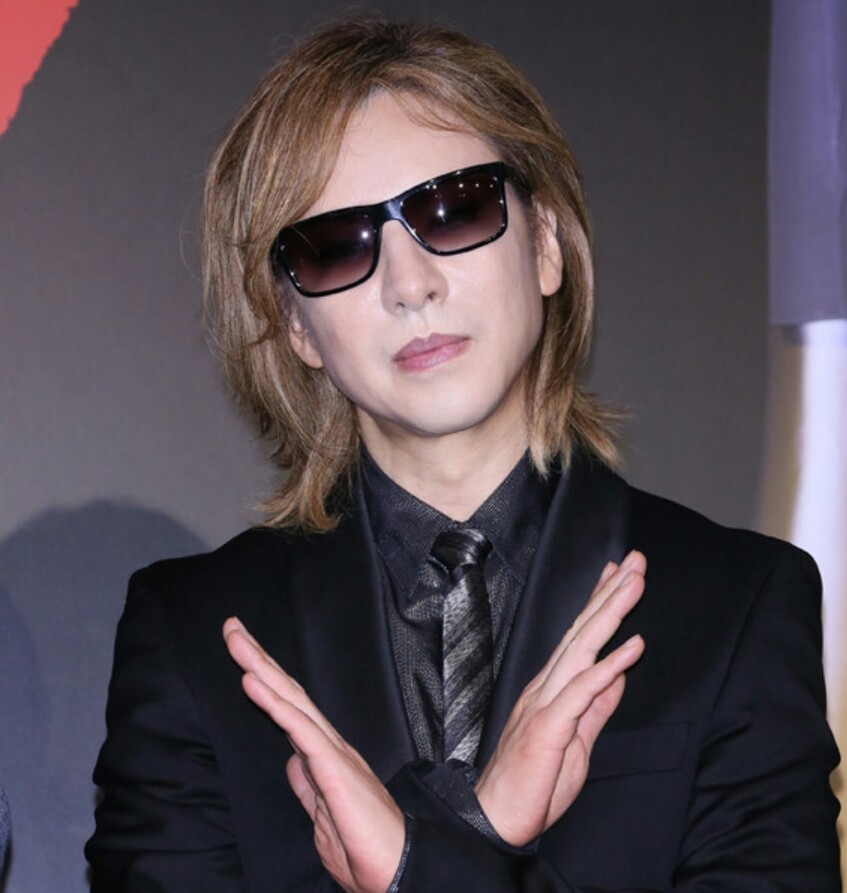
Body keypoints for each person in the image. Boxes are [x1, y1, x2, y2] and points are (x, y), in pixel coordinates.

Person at [85, 17, 841, 892]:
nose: (410, 285)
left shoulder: (735, 605)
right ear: (296, 326)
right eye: (337, 246)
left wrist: (418, 863)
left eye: (453, 209)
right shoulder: (196, 638)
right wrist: (481, 828)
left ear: (546, 243)